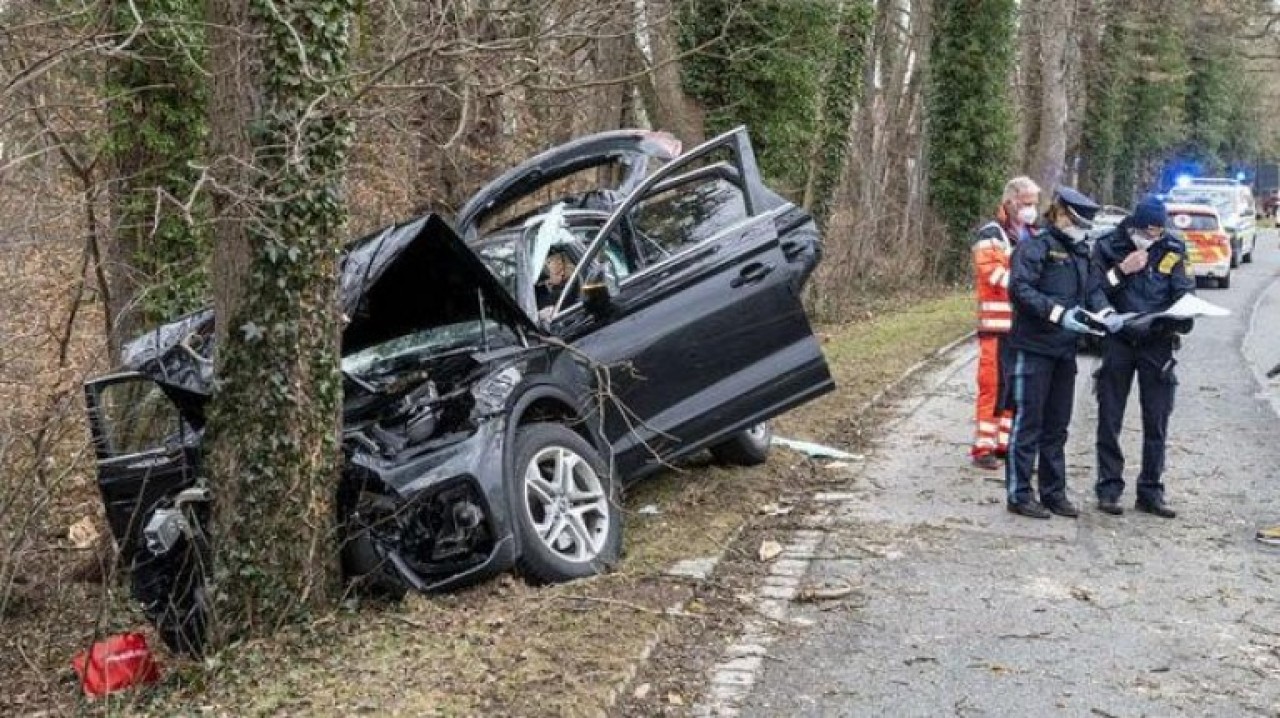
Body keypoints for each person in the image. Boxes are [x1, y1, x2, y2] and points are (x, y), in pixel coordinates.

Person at [1004, 187, 1122, 519]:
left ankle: (1054, 492)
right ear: (1062, 215)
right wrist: (1057, 313)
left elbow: (1092, 290)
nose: (1084, 230)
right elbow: (1020, 289)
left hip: (1065, 350)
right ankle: (1019, 494)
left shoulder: (1081, 252)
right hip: (1034, 347)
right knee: (1029, 423)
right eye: (1080, 222)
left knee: (1057, 426)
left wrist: (1106, 313)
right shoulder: (1035, 248)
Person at [1090, 197, 1195, 518]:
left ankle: (1151, 490)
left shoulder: (1172, 248)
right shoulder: (1109, 245)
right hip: (1119, 339)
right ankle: (1109, 487)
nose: (1153, 238)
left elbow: (1183, 288)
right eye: (1149, 232)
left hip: (1157, 342)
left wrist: (1185, 312)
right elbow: (1093, 290)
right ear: (1134, 226)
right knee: (1110, 416)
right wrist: (1122, 270)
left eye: (1159, 232)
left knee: (1157, 419)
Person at [970, 177, 1041, 470]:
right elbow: (993, 276)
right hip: (996, 326)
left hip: (1021, 326)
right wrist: (1029, 287)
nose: (1031, 209)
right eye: (1026, 204)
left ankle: (1004, 443)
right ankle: (983, 447)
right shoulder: (990, 235)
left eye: (1034, 204)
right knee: (992, 386)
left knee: (1013, 388)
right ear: (1010, 202)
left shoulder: (1032, 234)